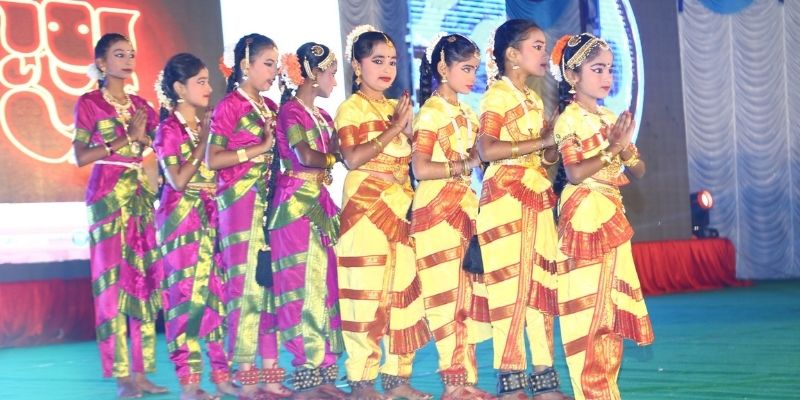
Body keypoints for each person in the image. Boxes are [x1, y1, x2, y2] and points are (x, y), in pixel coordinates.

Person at [549, 33, 654, 400]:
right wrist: (612, 148)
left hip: (611, 216)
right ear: (572, 76)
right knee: (587, 313)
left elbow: (639, 169)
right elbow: (575, 172)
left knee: (609, 314)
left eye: (610, 69)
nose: (607, 77)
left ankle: (606, 392)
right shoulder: (567, 120)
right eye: (597, 69)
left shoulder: (610, 117)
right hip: (583, 218)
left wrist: (624, 150)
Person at [334, 24, 432, 400]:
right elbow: (352, 157)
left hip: (399, 207)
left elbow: (411, 161)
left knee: (402, 292)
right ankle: (361, 381)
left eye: (391, 61)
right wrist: (394, 130)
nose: (387, 68)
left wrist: (406, 130)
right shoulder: (351, 108)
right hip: (365, 209)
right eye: (377, 60)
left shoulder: (396, 107)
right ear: (357, 66)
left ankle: (397, 378)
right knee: (366, 293)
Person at [476, 19, 571, 400]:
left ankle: (544, 380)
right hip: (505, 198)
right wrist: (540, 143)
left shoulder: (532, 98)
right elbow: (486, 149)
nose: (544, 54)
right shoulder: (496, 96)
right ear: (513, 54)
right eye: (537, 46)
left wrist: (554, 140)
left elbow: (545, 158)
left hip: (535, 196)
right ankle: (511, 382)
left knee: (540, 288)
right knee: (510, 291)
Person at [72, 32, 167, 399]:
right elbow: (81, 156)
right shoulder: (89, 103)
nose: (128, 60)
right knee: (112, 288)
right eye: (119, 54)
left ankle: (141, 374)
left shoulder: (142, 105)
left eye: (131, 54)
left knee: (142, 284)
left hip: (140, 196)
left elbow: (162, 145)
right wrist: (126, 138)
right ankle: (122, 376)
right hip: (107, 196)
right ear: (101, 63)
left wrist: (146, 141)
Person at [206, 33, 290, 400]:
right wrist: (260, 149)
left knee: (268, 289)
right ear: (245, 65)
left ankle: (271, 376)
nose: (274, 71)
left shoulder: (269, 106)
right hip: (239, 207)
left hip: (268, 205)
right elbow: (212, 159)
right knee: (245, 291)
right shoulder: (230, 106)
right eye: (268, 64)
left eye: (276, 64)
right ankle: (248, 378)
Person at [410, 32, 494, 400]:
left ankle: (466, 380)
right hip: (436, 212)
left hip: (464, 208)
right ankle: (453, 383)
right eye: (466, 69)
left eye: (475, 69)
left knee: (466, 299)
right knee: (446, 300)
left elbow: (480, 159)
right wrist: (465, 164)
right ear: (443, 68)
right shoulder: (430, 113)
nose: (473, 76)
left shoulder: (467, 113)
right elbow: (420, 168)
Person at [153, 53, 237, 400]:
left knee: (217, 298)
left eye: (207, 80)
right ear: (179, 88)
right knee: (186, 301)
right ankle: (189, 384)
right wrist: (204, 142)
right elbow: (177, 180)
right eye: (200, 82)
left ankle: (221, 376)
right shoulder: (168, 130)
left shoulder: (205, 124)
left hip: (212, 218)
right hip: (181, 222)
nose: (209, 87)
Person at [267, 42, 346, 399]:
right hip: (296, 205)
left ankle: (325, 373)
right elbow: (306, 156)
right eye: (330, 73)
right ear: (313, 74)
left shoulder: (324, 116)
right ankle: (306, 375)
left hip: (320, 202)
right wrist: (334, 157)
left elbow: (332, 152)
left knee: (326, 286)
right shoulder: (290, 113)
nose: (334, 80)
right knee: (302, 289)